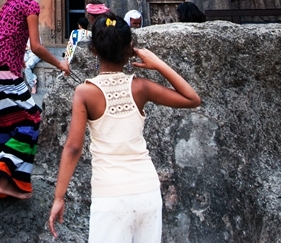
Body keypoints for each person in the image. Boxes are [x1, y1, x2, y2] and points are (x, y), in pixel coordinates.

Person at [47, 14, 201, 241]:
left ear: (93, 50)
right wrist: (157, 63)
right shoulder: (140, 87)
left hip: (110, 195)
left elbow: (72, 148)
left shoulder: (85, 92)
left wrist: (59, 197)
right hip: (146, 190)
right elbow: (192, 99)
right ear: (130, 50)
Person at [0, 0, 70, 201]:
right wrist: (60, 63)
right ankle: (4, 175)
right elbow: (37, 47)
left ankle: (3, 185)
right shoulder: (29, 5)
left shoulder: (12, 1)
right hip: (4, 67)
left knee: (2, 124)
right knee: (31, 120)